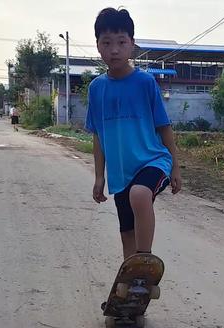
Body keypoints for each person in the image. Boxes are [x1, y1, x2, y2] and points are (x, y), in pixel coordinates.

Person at [86, 7, 182, 260]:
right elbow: (98, 135)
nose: (114, 49)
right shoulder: (96, 89)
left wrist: (175, 167)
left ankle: (145, 262)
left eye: (121, 42)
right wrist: (99, 177)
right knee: (127, 234)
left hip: (153, 161)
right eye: (107, 43)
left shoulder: (144, 82)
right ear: (98, 46)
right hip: (121, 174)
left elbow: (164, 126)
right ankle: (131, 283)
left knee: (140, 194)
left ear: (132, 45)